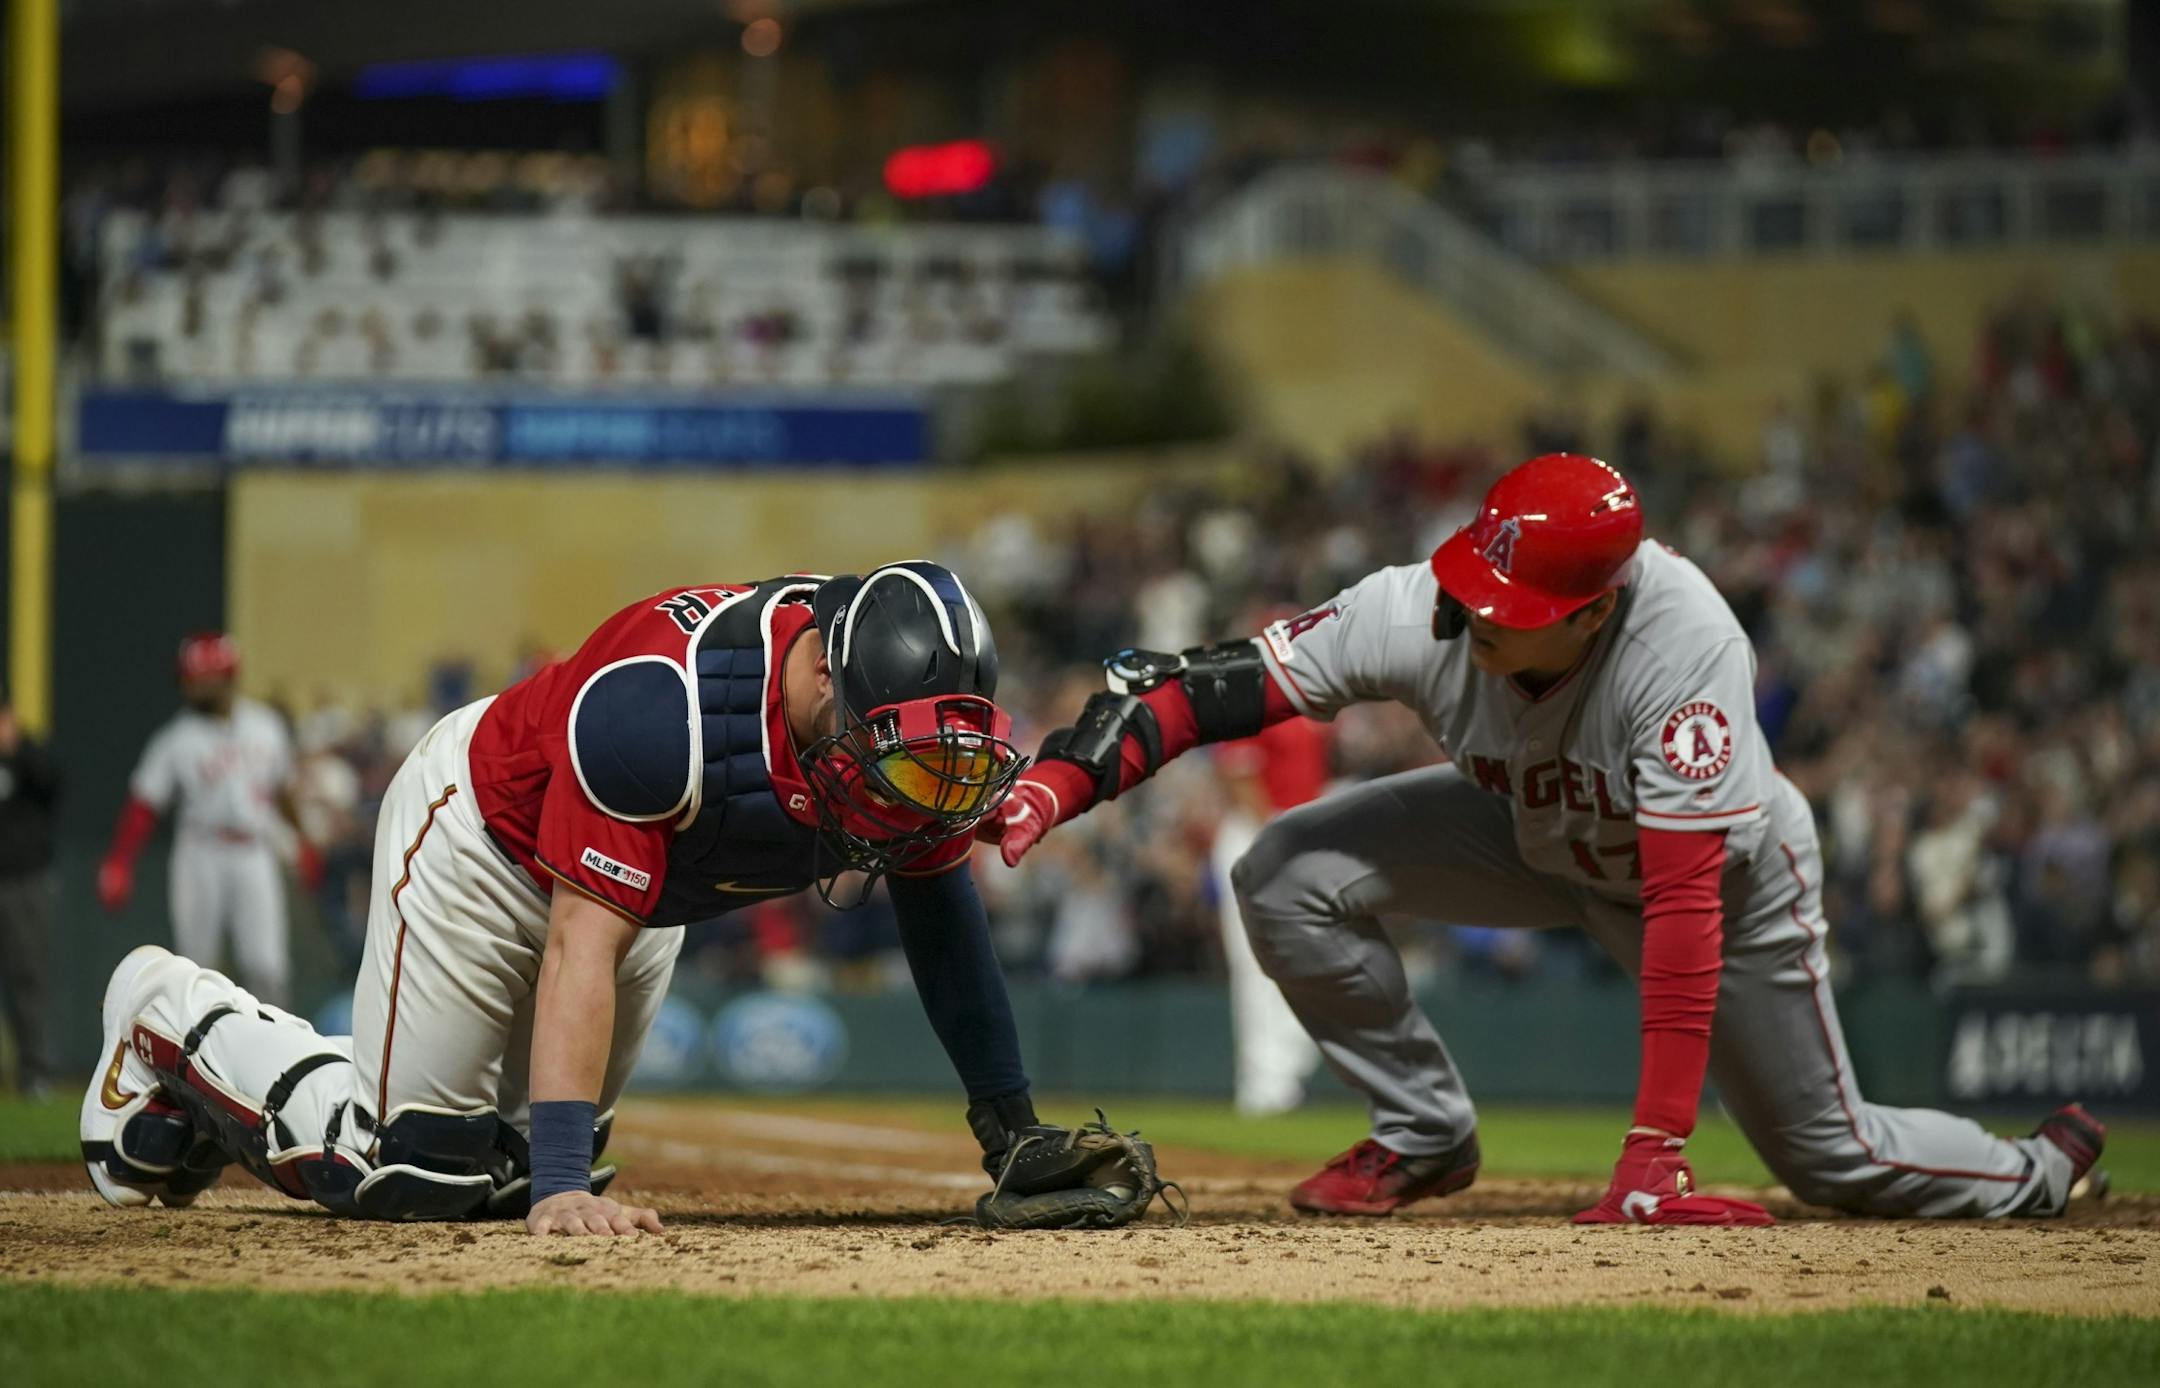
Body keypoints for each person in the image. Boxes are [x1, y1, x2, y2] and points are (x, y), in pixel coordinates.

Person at [982, 454, 2107, 1223]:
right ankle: (1425, 1132)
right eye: (1479, 581)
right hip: (1534, 829)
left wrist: (1656, 1151)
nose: (1476, 613)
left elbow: (1683, 905)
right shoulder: (1420, 607)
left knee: (1831, 1156)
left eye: (1511, 605)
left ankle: (2036, 1171)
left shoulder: (1686, 650)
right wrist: (1057, 787)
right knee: (1283, 871)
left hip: (1721, 887)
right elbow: (1197, 690)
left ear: (1597, 609)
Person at [81, 564, 1082, 1238]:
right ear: (823, 669)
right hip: (486, 843)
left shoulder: (897, 729)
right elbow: (578, 943)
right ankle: (167, 1015)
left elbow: (942, 918)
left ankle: (241, 1097)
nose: (912, 787)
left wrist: (1013, 1129)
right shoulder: (659, 704)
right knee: (415, 1172)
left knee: (508, 1173)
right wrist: (566, 1186)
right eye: (897, 756)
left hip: (644, 889)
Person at [97, 634, 319, 1008]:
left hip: (253, 850)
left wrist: (303, 842)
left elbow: (282, 792)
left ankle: (276, 1040)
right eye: (189, 679)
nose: (191, 686)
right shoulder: (176, 738)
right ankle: (197, 1043)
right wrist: (121, 860)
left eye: (201, 678)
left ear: (226, 677)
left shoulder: (265, 725)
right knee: (196, 966)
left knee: (266, 965)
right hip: (201, 850)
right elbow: (144, 804)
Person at [1210, 680, 1328, 1116]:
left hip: (1299, 831)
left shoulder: (1308, 702)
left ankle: (1286, 1070)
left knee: (1304, 958)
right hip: (1257, 834)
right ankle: (1264, 1085)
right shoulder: (1253, 699)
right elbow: (1238, 773)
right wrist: (1276, 838)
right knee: (1256, 964)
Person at [0, 696, 61, 1096]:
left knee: (29, 978)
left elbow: (54, 783)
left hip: (26, 879)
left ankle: (37, 1074)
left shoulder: (27, 755)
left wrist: (17, 747)